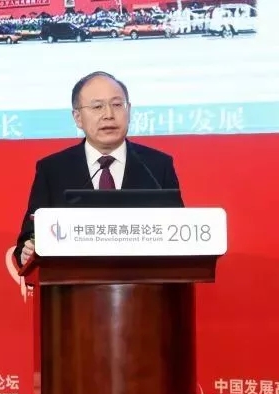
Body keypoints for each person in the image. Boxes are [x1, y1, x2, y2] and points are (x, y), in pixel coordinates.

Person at [13, 71, 184, 268]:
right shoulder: (53, 170)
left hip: (145, 282)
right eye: (97, 107)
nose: (109, 115)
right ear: (78, 117)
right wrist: (27, 252)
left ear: (129, 110)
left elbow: (180, 235)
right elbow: (28, 238)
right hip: (74, 284)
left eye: (117, 105)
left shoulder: (157, 166)